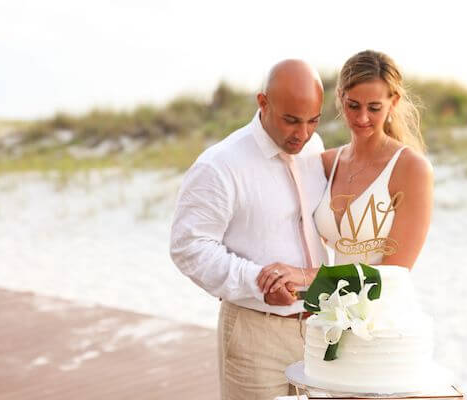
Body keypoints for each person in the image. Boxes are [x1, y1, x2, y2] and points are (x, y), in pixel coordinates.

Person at [169, 59, 329, 399]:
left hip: (319, 331)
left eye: (312, 121)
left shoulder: (314, 148)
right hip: (256, 332)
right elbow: (189, 246)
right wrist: (258, 283)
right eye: (290, 120)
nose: (302, 134)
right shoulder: (220, 164)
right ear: (263, 102)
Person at [259, 50, 433, 295]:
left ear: (393, 102)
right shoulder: (328, 162)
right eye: (353, 105)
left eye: (374, 108)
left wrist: (306, 276)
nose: (362, 117)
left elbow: (394, 275)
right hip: (334, 318)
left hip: (385, 321)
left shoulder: (411, 169)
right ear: (340, 97)